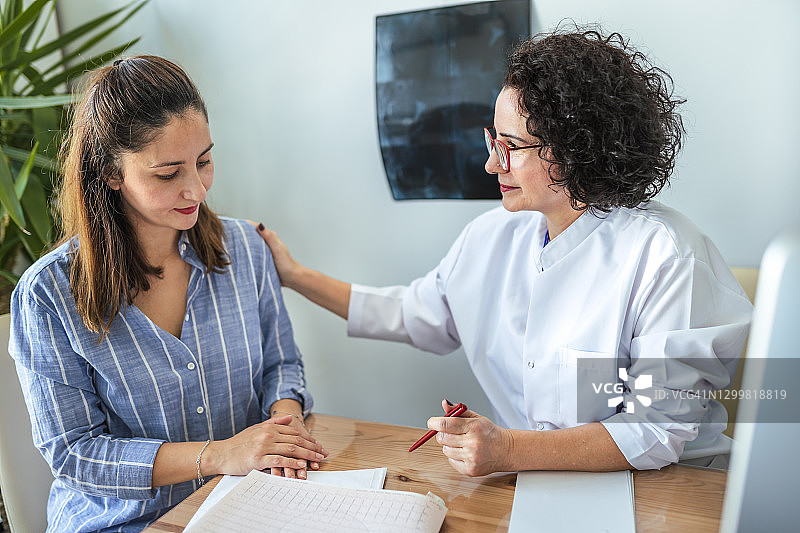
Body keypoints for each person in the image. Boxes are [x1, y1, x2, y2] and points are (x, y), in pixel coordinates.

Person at [255, 28, 752, 476]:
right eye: (492, 139)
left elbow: (657, 427)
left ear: (576, 150)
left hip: (670, 490)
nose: (492, 163)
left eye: (511, 145)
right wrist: (294, 274)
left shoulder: (666, 255)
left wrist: (508, 449)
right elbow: (412, 313)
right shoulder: (490, 237)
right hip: (535, 484)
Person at [9, 56, 328, 532]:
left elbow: (280, 366)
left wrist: (284, 427)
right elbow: (74, 453)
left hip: (242, 506)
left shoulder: (245, 248)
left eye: (204, 161)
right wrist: (221, 455)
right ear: (112, 173)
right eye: (167, 174)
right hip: (123, 522)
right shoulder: (49, 294)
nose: (196, 190)